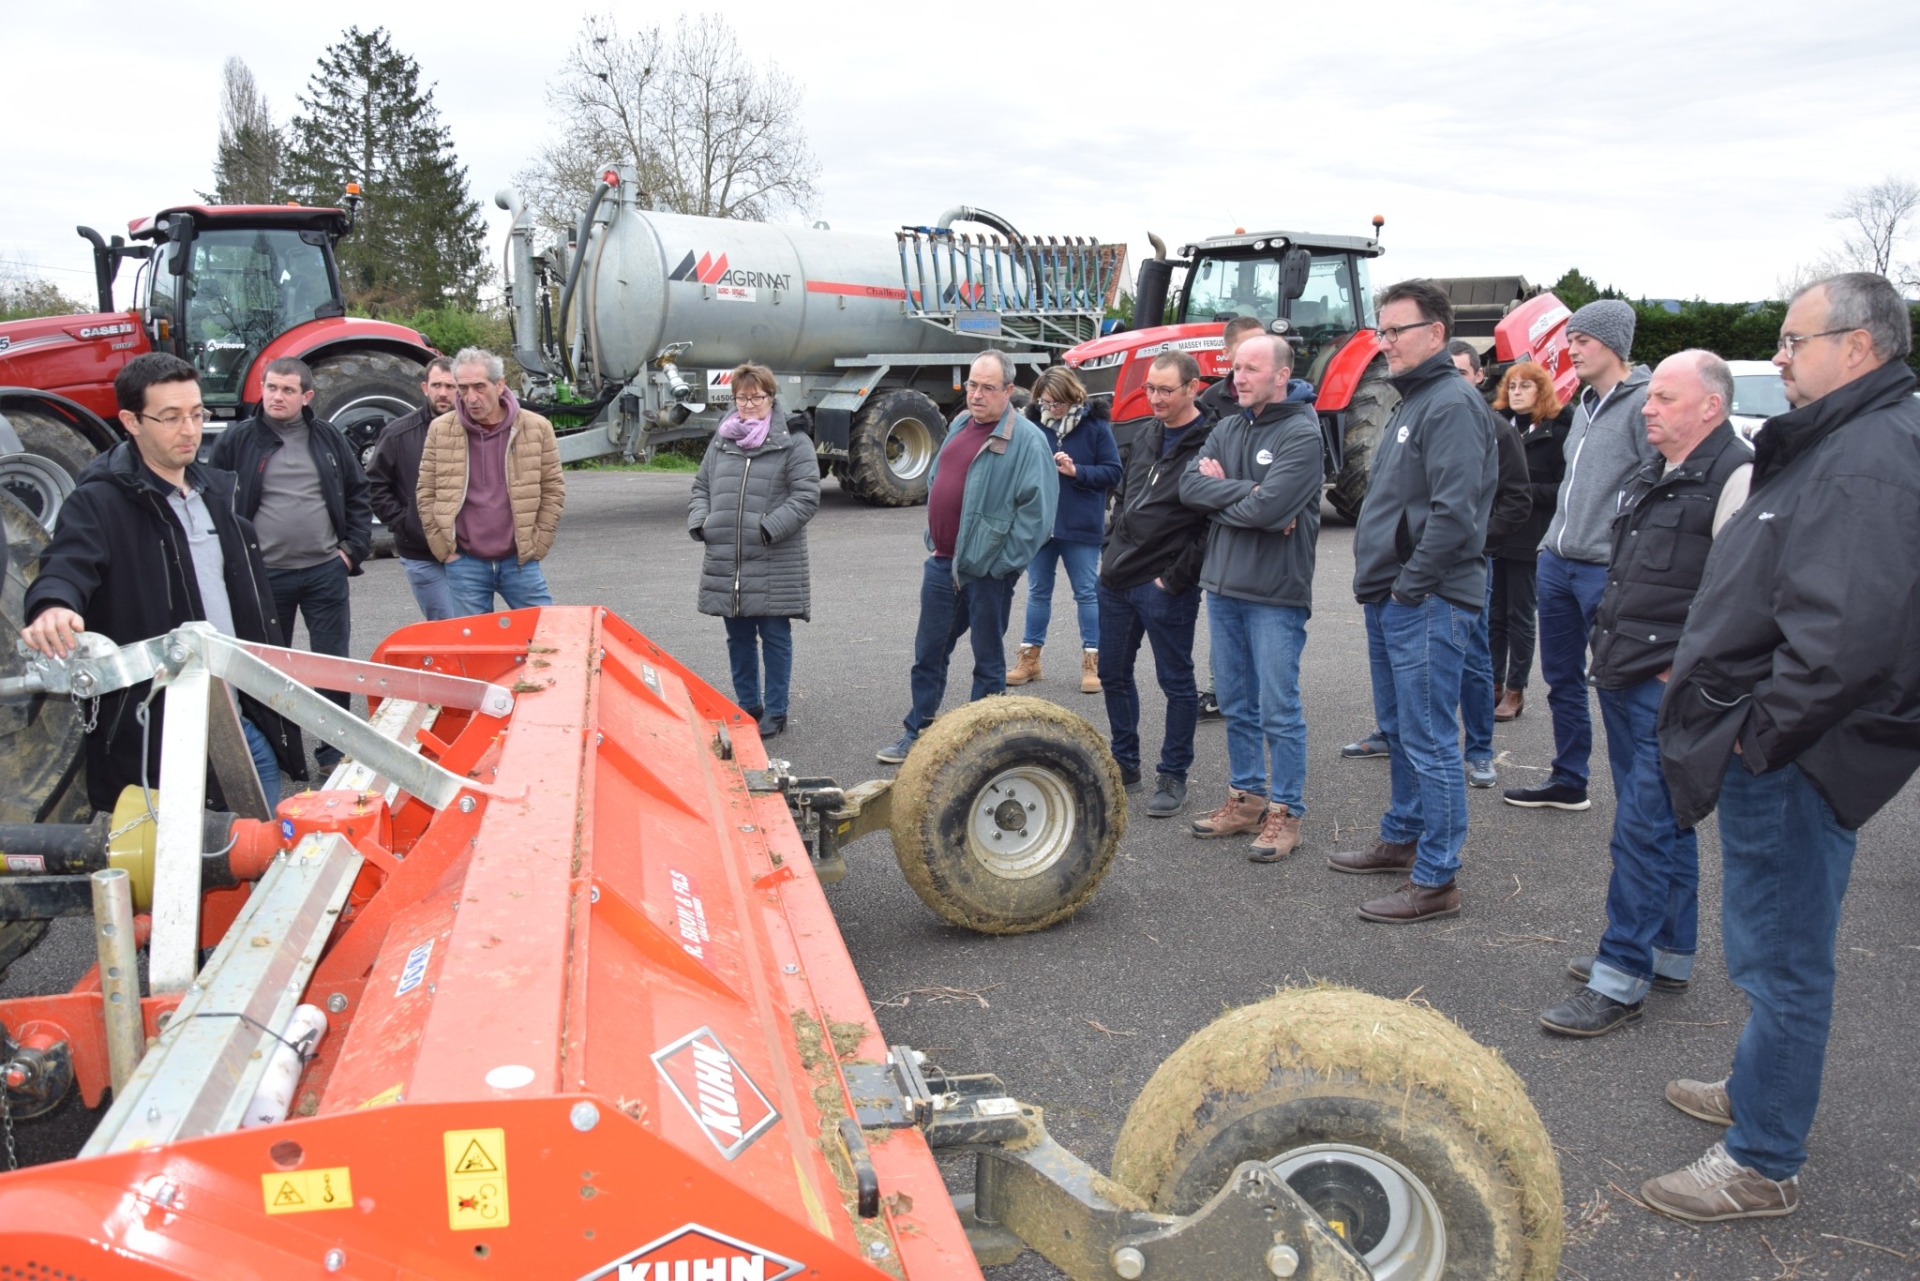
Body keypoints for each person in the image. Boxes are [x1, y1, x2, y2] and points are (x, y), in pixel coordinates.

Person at [1641, 274, 1920, 1222]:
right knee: (1770, 943)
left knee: (1785, 956)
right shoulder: (1843, 440)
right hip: (1786, 743)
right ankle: (1759, 1088)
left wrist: (1757, 737)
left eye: (1798, 341)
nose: (1783, 357)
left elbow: (1843, 638)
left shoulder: (1869, 456)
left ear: (1862, 346)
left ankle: (1762, 1158)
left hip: (1797, 753)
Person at [1538, 351, 1751, 1039]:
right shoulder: (1654, 470)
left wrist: (1687, 668)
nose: (1648, 408)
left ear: (1709, 407)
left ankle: (1619, 976)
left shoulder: (1735, 476)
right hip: (1627, 671)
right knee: (1660, 820)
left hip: (1672, 687)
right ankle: (1670, 952)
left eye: (1663, 397)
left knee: (1642, 828)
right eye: (1649, 397)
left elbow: (1742, 594)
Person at [21, 353, 305, 809]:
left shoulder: (217, 492)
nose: (190, 430)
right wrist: (53, 603)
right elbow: (67, 563)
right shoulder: (100, 503)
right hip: (159, 737)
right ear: (132, 421)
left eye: (197, 414)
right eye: (171, 417)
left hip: (241, 721)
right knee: (185, 871)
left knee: (261, 856)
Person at [1331, 279, 1496, 922]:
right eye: (1382, 330)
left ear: (1436, 334)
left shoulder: (1450, 403)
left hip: (1425, 600)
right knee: (1402, 731)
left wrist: (1410, 585)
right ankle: (1402, 839)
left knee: (1428, 739)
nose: (1385, 342)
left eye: (1396, 331)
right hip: (1395, 596)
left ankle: (1436, 879)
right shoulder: (1412, 401)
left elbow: (1455, 515)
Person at [1504, 301, 1653, 811]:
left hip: (1604, 568)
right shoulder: (1586, 403)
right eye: (1571, 340)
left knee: (1617, 685)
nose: (1572, 349)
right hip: (1557, 561)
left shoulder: (1644, 403)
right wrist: (1551, 545)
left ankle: (1639, 802)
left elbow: (1653, 487)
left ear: (1612, 343)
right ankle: (1569, 780)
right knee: (1561, 680)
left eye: (1582, 340)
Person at [1178, 335, 1323, 861]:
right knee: (1237, 703)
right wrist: (1251, 495)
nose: (1237, 378)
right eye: (1235, 368)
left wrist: (1238, 498)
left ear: (1282, 375)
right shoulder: (1228, 426)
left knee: (1278, 709)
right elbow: (1190, 489)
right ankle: (1246, 798)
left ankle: (1286, 812)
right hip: (1223, 587)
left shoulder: (1302, 434)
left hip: (1275, 595)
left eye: (1251, 369)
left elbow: (1272, 510)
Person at [876, 352, 1057, 764]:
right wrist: (934, 532)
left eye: (987, 387)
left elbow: (1038, 519)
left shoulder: (1027, 441)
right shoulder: (960, 423)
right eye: (972, 385)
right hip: (943, 563)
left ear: (1009, 391)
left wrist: (998, 564)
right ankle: (917, 731)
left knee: (988, 660)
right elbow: (942, 478)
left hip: (987, 573)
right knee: (929, 653)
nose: (976, 395)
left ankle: (984, 743)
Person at [209, 356, 372, 768]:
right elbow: (215, 503)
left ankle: (336, 750)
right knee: (268, 668)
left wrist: (351, 552)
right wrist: (232, 564)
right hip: (264, 577)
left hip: (324, 572)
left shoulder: (329, 439)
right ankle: (283, 756)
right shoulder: (237, 441)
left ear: (307, 396)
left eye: (287, 390)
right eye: (271, 388)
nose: (277, 397)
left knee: (332, 665)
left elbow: (358, 494)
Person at [1097, 352, 1216, 817]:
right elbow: (1125, 494)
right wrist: (1110, 548)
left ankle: (1173, 774)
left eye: (1166, 390)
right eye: (1150, 389)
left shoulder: (1212, 442)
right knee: (1112, 673)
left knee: (1176, 683)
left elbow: (1213, 522)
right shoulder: (1146, 433)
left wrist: (1177, 576)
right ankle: (1125, 763)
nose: (1155, 398)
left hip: (1165, 585)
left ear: (1193, 388)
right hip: (1118, 579)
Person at [688, 363, 820, 739]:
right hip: (727, 560)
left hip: (774, 558)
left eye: (756, 397)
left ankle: (776, 711)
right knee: (739, 638)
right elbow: (700, 488)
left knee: (775, 637)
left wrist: (766, 530)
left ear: (771, 397)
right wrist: (702, 523)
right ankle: (749, 706)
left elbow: (807, 497)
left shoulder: (794, 441)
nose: (748, 404)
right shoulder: (722, 440)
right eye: (741, 397)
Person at [418, 347, 567, 615]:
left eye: (479, 387)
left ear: (499, 385)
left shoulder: (536, 428)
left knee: (546, 636)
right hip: (465, 563)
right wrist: (445, 551)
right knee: (474, 648)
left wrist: (538, 543)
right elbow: (426, 493)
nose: (471, 397)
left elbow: (553, 490)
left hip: (520, 561)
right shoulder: (441, 430)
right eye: (462, 388)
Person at [1005, 368, 1121, 695]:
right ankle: (1030, 660)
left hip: (1081, 525)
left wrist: (1077, 471)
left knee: (1086, 592)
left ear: (1072, 398)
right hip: (1041, 526)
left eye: (1057, 404)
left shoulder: (1095, 427)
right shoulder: (1032, 426)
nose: (1051, 409)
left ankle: (1093, 661)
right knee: (1038, 590)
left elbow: (1113, 471)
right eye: (1045, 402)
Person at [1451, 340, 1530, 788]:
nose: (1454, 382)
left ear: (1479, 377)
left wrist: (1475, 542)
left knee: (1475, 657)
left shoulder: (1499, 430)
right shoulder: (1429, 419)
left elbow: (1517, 501)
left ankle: (1480, 750)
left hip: (1471, 563)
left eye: (1462, 373)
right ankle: (1393, 733)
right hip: (1423, 562)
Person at [1191, 314, 1269, 723]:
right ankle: (1222, 688)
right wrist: (1250, 490)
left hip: (1264, 539)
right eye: (1242, 355)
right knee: (1224, 613)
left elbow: (1279, 494)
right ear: (1227, 355)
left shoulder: (1294, 410)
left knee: (1259, 617)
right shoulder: (1211, 406)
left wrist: (1241, 489)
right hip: (1220, 530)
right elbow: (1197, 482)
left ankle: (1249, 692)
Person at [1488, 362, 1571, 722]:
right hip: (1495, 534)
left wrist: (1522, 490)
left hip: (1530, 536)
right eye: (1513, 386)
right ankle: (1491, 682)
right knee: (1493, 614)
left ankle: (1516, 689)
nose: (1517, 392)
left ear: (1541, 391)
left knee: (1519, 615)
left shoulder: (1557, 433)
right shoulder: (1499, 426)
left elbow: (1563, 488)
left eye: (1526, 386)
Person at [368, 357, 459, 621]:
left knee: (475, 627)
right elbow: (374, 484)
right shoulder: (397, 434)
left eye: (450, 386)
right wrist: (405, 522)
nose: (443, 393)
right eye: (437, 385)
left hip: (468, 553)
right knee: (447, 626)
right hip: (422, 554)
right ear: (424, 387)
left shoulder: (473, 433)